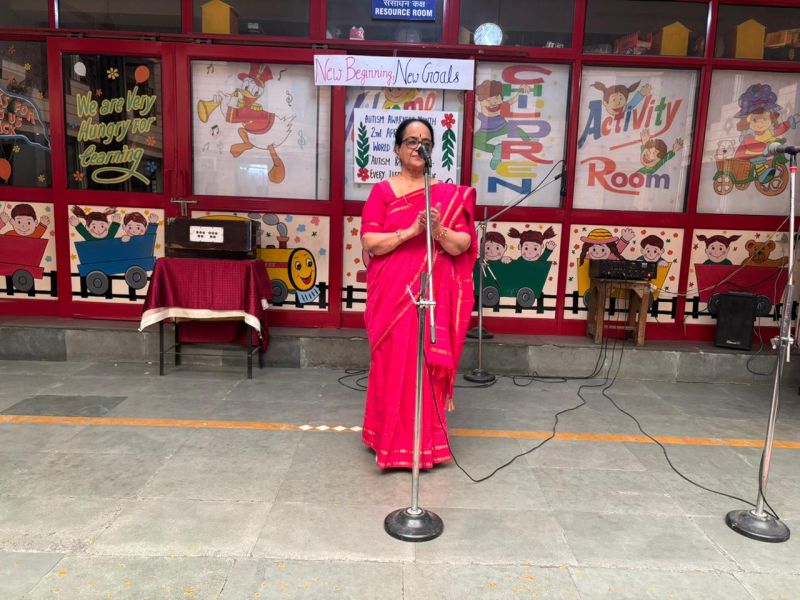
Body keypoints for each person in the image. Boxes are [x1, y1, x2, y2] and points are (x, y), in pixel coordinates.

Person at [360, 117, 477, 469]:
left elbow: (462, 244)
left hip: (431, 297)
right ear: (397, 149)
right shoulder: (383, 191)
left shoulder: (447, 195)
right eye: (411, 141)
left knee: (424, 368)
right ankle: (387, 442)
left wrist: (438, 229)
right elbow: (371, 241)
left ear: (432, 150)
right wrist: (411, 231)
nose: (417, 147)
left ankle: (426, 446)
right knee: (391, 365)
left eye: (425, 142)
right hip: (393, 295)